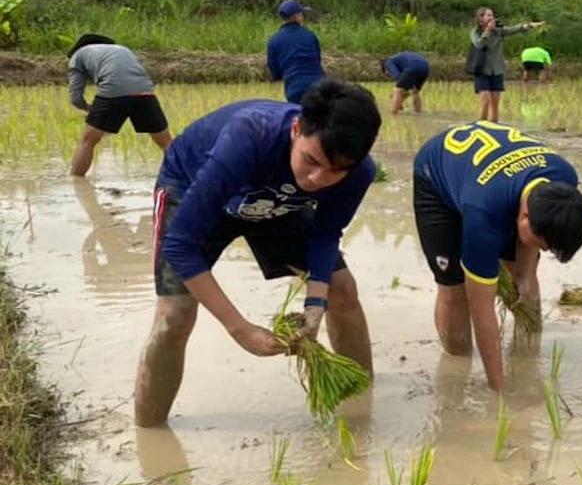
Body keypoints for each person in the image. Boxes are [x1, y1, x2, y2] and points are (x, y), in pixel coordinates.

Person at [134, 80, 381, 427]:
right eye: (311, 161)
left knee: (342, 289)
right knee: (174, 316)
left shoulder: (358, 174)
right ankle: (149, 435)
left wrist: (315, 307)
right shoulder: (250, 136)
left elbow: (326, 233)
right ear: (296, 129)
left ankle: (360, 404)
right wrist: (240, 329)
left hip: (274, 201)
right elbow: (180, 245)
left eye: (336, 171)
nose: (317, 180)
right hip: (194, 189)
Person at [412, 120, 582, 392]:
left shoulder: (565, 179)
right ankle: (457, 364)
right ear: (524, 216)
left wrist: (523, 276)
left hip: (496, 179)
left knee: (524, 282)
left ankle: (528, 352)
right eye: (541, 244)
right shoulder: (485, 216)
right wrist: (500, 391)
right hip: (437, 175)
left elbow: (530, 252)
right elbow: (481, 311)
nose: (543, 251)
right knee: (455, 289)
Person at [66, 34, 172, 177]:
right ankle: (188, 176)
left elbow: (76, 98)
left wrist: (89, 109)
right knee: (166, 143)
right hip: (145, 92)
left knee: (87, 141)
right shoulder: (122, 49)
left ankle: (75, 182)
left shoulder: (78, 56)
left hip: (113, 91)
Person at [469, 7, 545, 122]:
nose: (492, 18)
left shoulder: (498, 31)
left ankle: (494, 126)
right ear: (481, 19)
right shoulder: (475, 32)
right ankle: (480, 126)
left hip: (497, 69)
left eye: (492, 15)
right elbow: (479, 44)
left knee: (495, 104)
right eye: (488, 15)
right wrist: (488, 31)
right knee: (485, 101)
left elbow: (515, 29)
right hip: (482, 70)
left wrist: (529, 25)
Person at [267, 0, 325, 104]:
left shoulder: (274, 40)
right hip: (319, 87)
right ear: (296, 16)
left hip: (295, 89)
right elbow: (317, 59)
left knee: (298, 118)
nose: (303, 17)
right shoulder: (310, 35)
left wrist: (276, 77)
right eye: (301, 14)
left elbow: (274, 70)